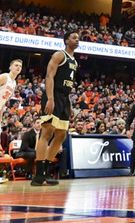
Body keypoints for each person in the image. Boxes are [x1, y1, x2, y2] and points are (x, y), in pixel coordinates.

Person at [31, 30, 80, 186]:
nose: (77, 40)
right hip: (53, 95)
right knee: (47, 131)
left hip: (64, 98)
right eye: (74, 38)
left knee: (61, 135)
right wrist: (50, 98)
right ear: (66, 40)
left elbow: (69, 85)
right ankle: (38, 174)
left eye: (78, 38)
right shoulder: (59, 55)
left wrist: (70, 104)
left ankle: (45, 171)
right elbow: (49, 76)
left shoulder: (75, 61)